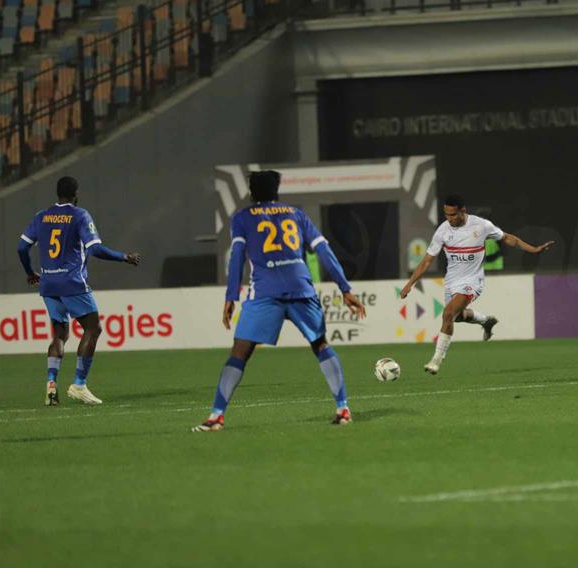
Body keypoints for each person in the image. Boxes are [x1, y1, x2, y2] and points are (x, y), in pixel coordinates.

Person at [192, 171, 367, 431]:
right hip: (300, 288)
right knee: (320, 345)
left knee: (239, 352)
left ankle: (216, 415)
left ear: (251, 192)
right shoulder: (296, 214)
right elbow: (323, 250)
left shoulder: (242, 218)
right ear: (276, 191)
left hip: (265, 291)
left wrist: (231, 296)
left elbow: (237, 257)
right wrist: (345, 288)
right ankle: (343, 408)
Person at [17, 176, 141, 406]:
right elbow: (95, 249)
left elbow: (22, 247)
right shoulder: (79, 215)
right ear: (76, 194)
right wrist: (124, 257)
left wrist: (29, 272)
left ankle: (51, 385)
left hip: (49, 284)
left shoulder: (41, 216)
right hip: (72, 282)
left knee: (59, 334)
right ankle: (79, 385)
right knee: (93, 328)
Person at [399, 195, 553, 375]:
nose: (449, 218)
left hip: (473, 281)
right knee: (456, 317)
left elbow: (507, 238)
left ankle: (436, 360)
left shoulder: (481, 226)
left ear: (463, 211)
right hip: (451, 282)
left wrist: (534, 249)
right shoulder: (443, 231)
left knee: (448, 314)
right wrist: (410, 283)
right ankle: (486, 321)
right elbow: (427, 260)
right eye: (446, 214)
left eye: (453, 214)